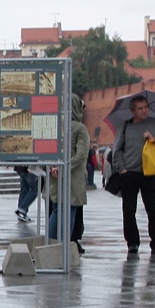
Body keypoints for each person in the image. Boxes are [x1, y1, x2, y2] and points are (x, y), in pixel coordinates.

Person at [113, 94, 155, 255]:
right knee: (129, 210)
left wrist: (154, 138)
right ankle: (132, 242)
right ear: (133, 111)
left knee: (153, 209)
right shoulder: (125, 126)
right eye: (140, 108)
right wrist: (121, 168)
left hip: (149, 172)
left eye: (146, 107)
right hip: (129, 174)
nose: (144, 111)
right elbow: (117, 149)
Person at [48, 95, 89, 254]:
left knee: (57, 209)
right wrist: (65, 167)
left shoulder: (55, 126)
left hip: (55, 175)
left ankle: (50, 246)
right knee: (69, 210)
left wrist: (54, 166)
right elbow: (82, 154)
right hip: (72, 177)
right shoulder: (79, 128)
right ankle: (63, 248)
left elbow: (48, 150)